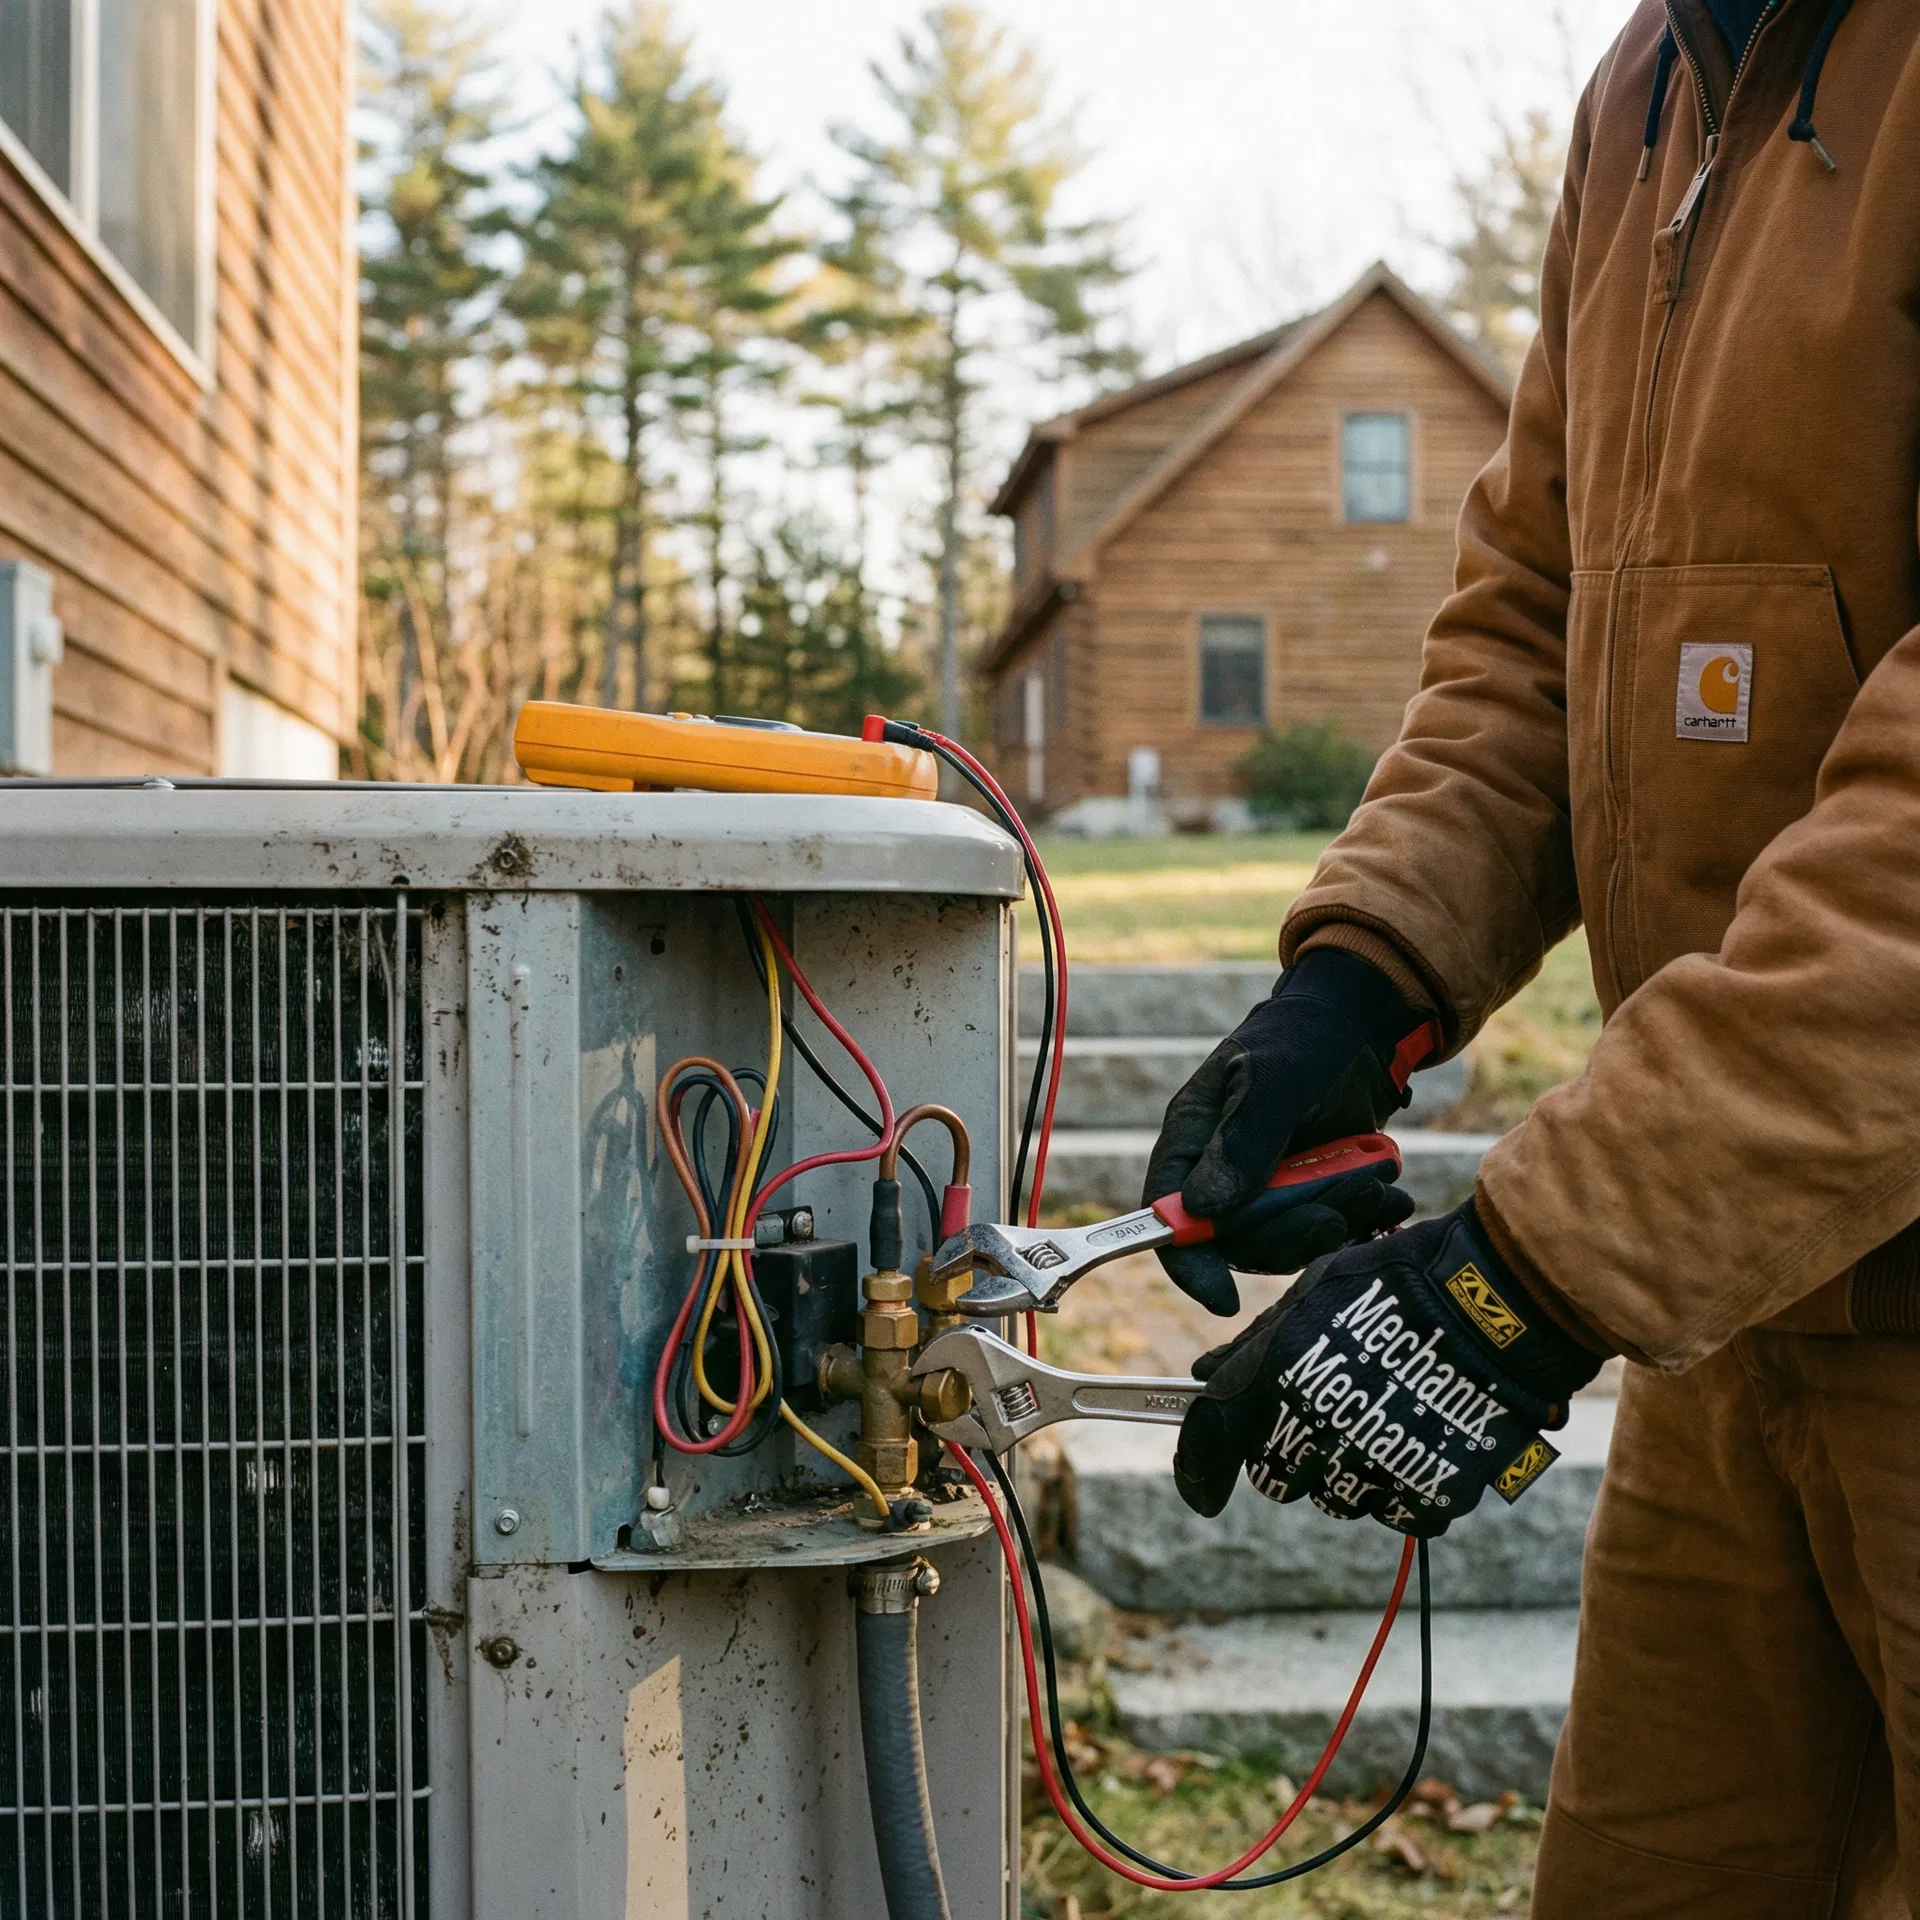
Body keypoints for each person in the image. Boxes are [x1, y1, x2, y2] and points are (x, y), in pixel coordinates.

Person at [1146, 1, 1920, 1911]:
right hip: (1742, 1303)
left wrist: (1526, 1273)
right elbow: (1537, 611)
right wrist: (1360, 977)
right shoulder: (1648, 90)